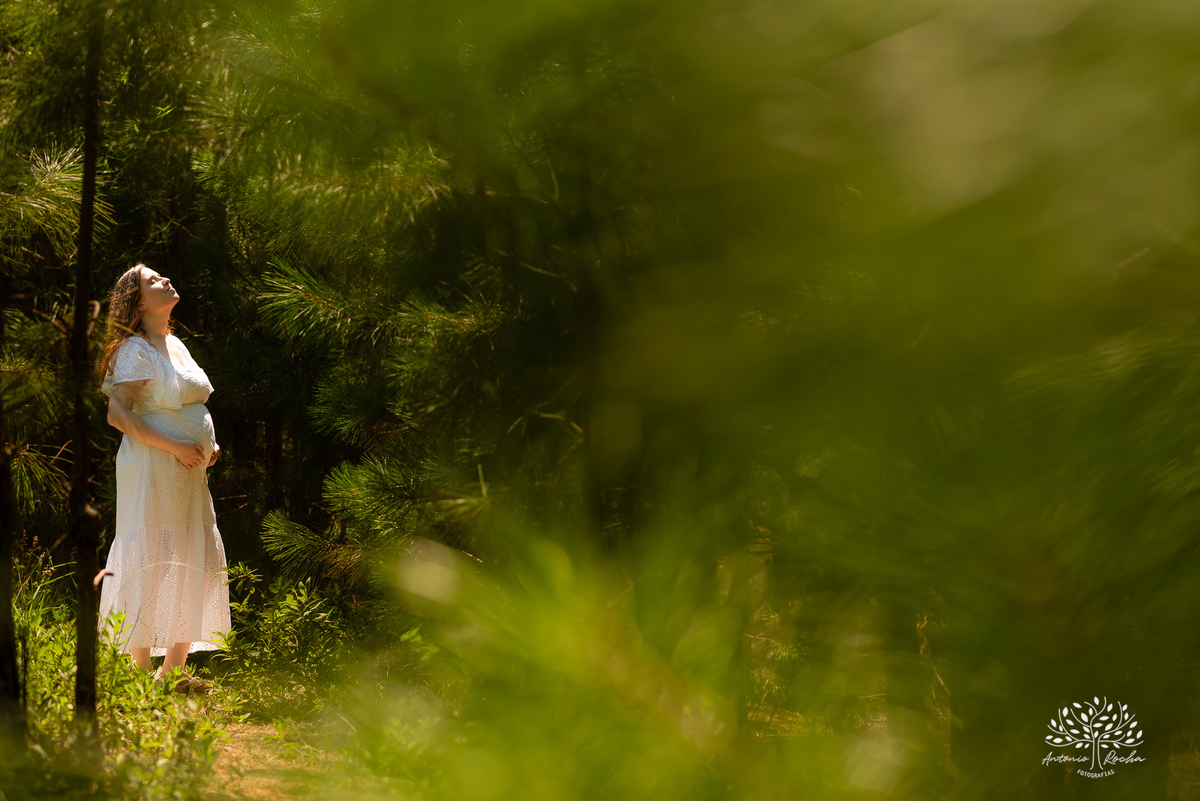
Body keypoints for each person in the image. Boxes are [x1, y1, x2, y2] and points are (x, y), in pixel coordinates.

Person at [96, 263, 231, 693]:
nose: (166, 280)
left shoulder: (176, 344)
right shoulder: (135, 349)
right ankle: (140, 677)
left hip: (189, 473)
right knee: (150, 550)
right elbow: (118, 414)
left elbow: (188, 406)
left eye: (163, 276)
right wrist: (174, 446)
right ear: (137, 302)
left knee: (192, 550)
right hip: (152, 466)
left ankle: (173, 672)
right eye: (153, 281)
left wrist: (208, 446)